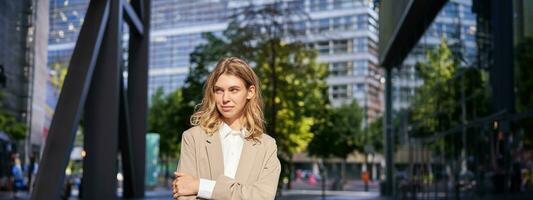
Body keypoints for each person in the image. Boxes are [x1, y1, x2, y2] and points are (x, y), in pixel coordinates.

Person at [172, 57, 281, 200]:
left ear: (250, 92)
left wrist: (200, 186)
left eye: (234, 90)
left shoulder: (267, 145)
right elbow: (184, 192)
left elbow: (263, 197)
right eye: (219, 90)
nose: (225, 98)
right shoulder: (193, 137)